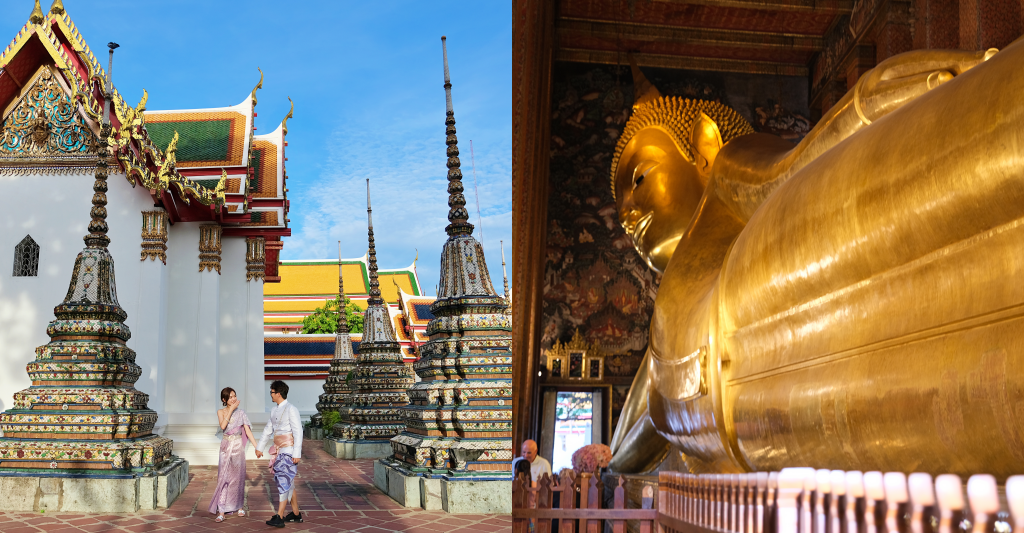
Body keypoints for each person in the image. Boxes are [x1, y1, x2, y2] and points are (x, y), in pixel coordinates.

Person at [209, 387, 261, 522]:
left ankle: (239, 506)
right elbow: (223, 426)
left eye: (235, 396)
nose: (233, 399)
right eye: (230, 397)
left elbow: (248, 432)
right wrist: (231, 409)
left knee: (238, 478)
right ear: (224, 400)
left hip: (238, 447)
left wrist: (257, 447)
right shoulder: (220, 412)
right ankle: (221, 511)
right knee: (224, 477)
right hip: (225, 447)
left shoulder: (241, 413)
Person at [256, 380, 303, 528]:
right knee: (288, 482)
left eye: (271, 392)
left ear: (278, 393)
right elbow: (268, 429)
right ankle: (296, 514)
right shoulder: (274, 410)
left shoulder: (291, 409)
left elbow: (298, 431)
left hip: (289, 450)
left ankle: (280, 516)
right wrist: (259, 447)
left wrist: (297, 452)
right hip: (278, 450)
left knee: (283, 480)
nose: (270, 394)